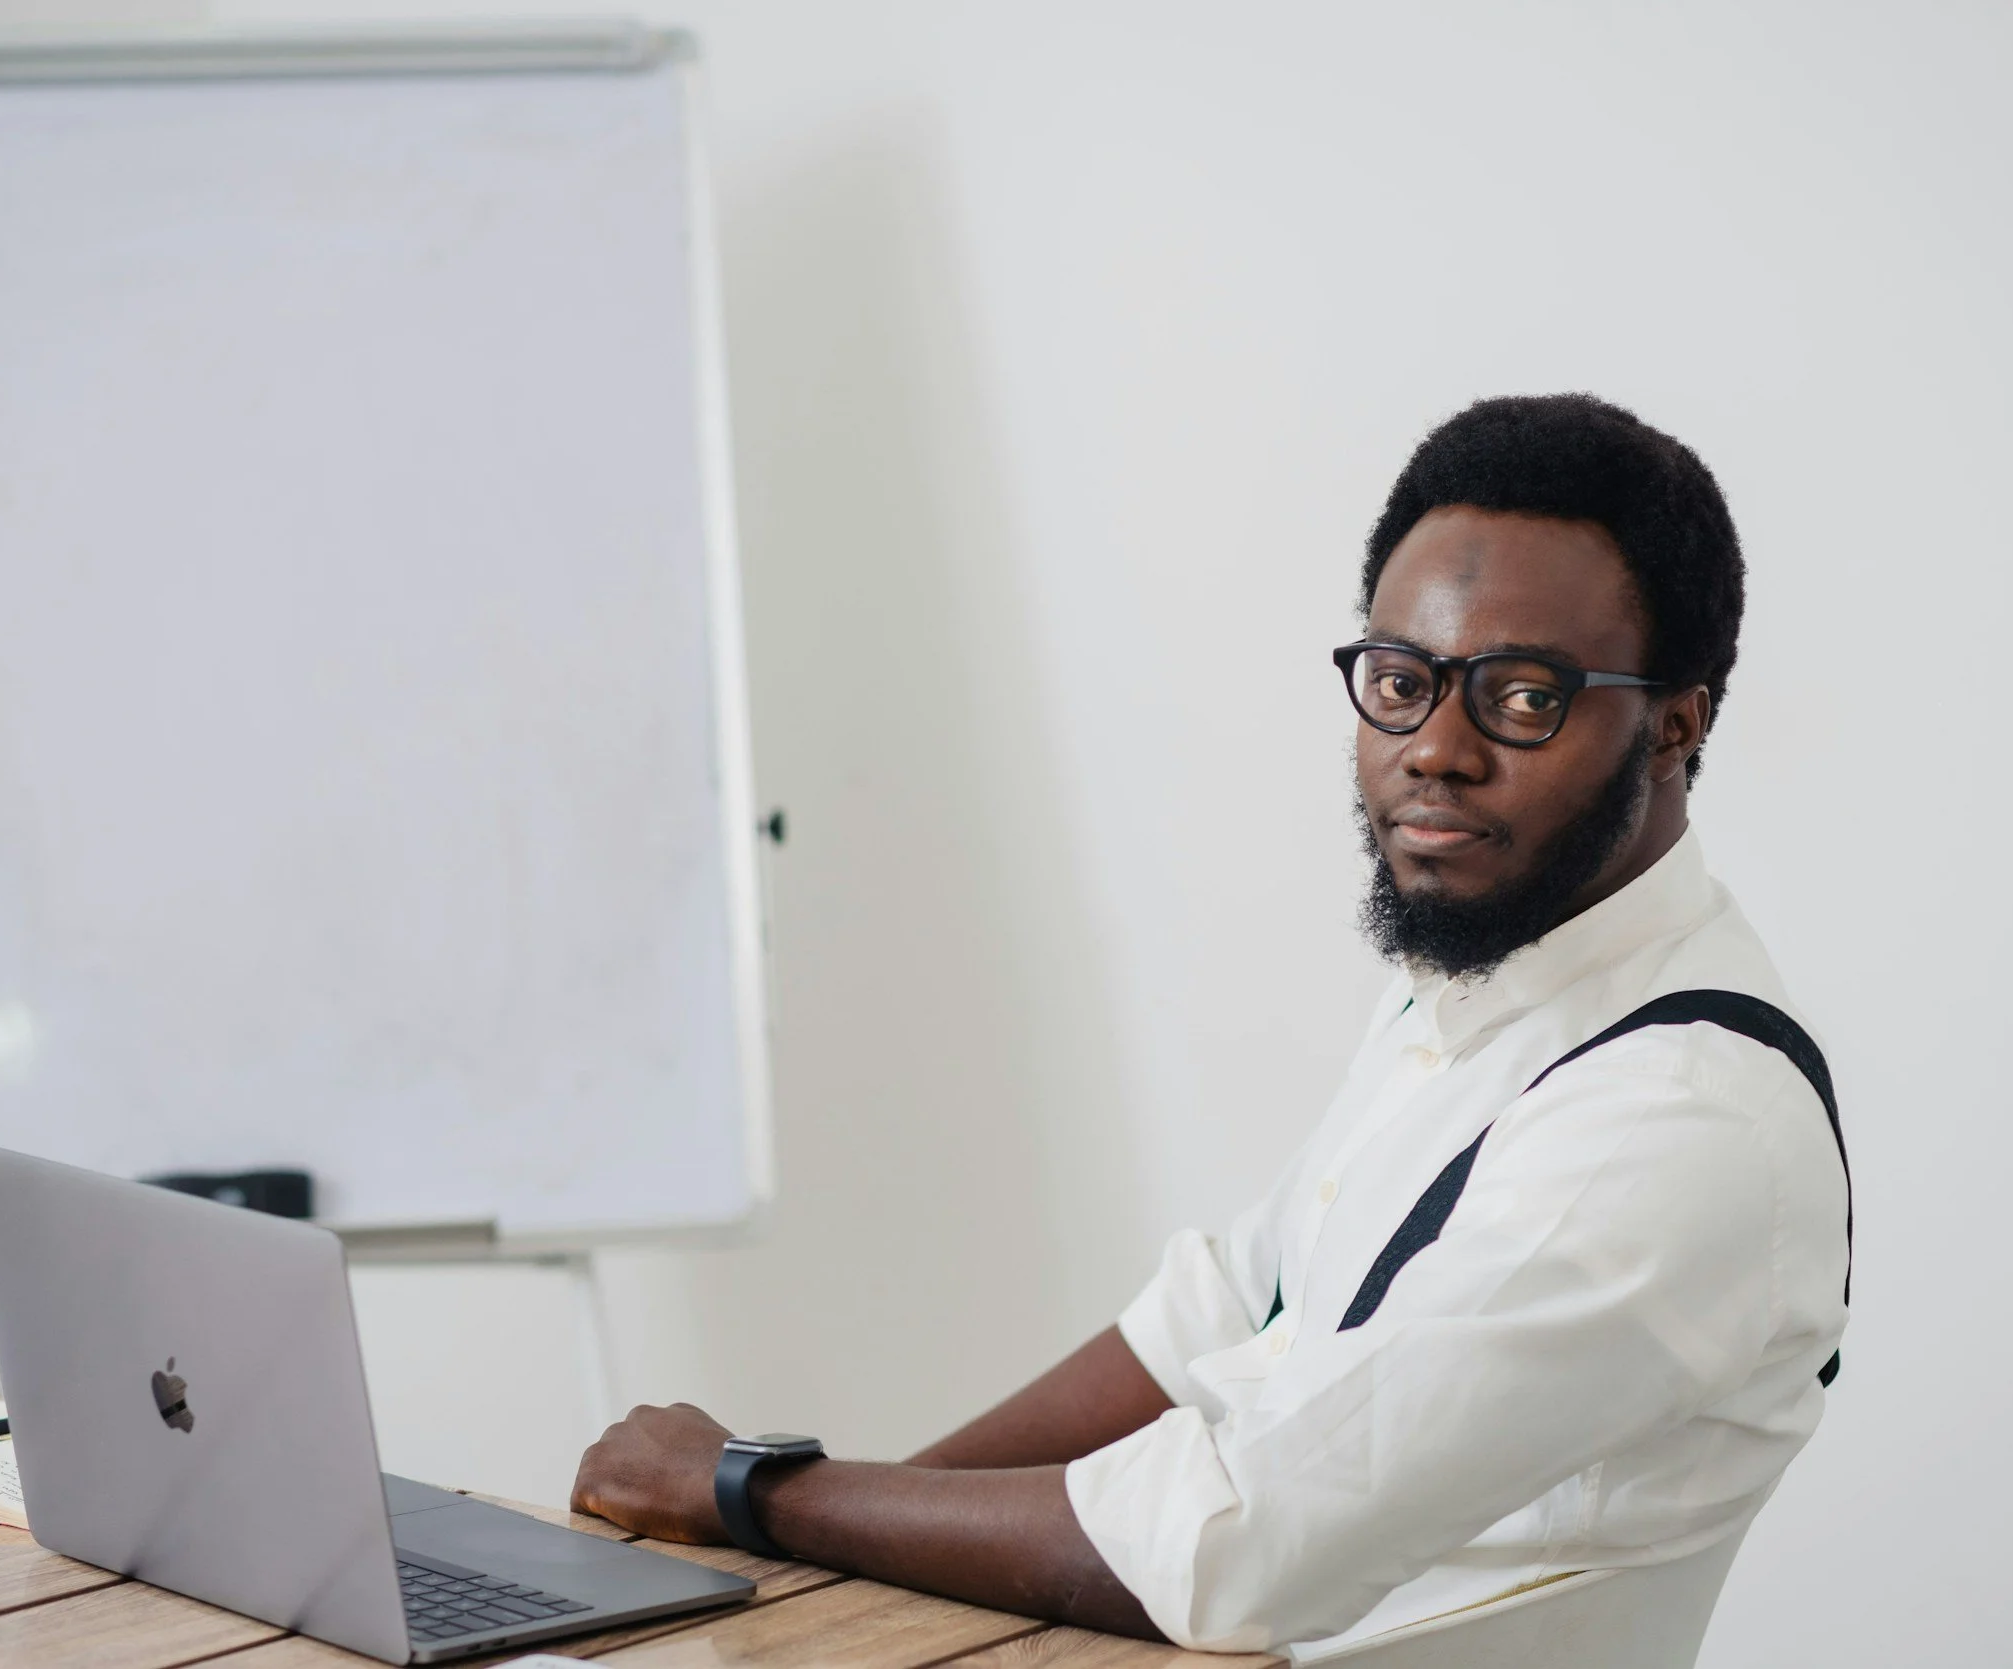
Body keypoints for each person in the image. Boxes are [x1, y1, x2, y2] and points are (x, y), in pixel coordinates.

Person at [571, 393, 1851, 1654]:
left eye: (1521, 699)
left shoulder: (1680, 1117)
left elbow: (1230, 1540)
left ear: (1676, 723)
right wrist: (803, 1555)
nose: (1434, 749)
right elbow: (1228, 1308)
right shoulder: (1488, 979)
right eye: (1401, 680)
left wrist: (756, 1489)